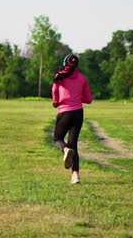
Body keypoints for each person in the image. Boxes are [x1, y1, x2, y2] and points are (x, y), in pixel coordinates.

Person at [52, 54, 92, 184]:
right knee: (73, 143)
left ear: (65, 63)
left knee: (57, 139)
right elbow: (89, 100)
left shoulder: (60, 76)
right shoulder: (82, 78)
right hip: (78, 113)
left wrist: (56, 101)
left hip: (65, 112)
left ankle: (65, 150)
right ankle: (76, 175)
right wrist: (77, 97)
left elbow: (54, 91)